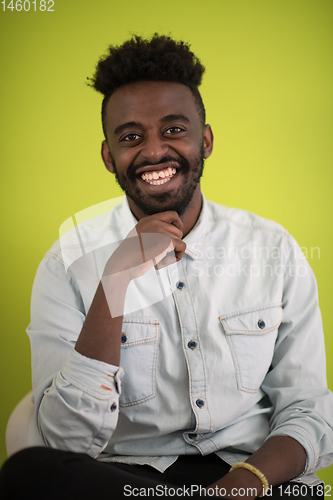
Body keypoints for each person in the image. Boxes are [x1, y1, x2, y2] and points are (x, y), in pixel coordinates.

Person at [1, 34, 332, 499]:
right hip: (132, 483)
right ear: (107, 156)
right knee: (29, 472)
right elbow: (64, 441)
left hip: (255, 476)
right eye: (131, 137)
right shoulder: (66, 263)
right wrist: (115, 281)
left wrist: (240, 486)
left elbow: (308, 409)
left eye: (174, 129)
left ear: (206, 140)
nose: (155, 152)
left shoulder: (272, 248)